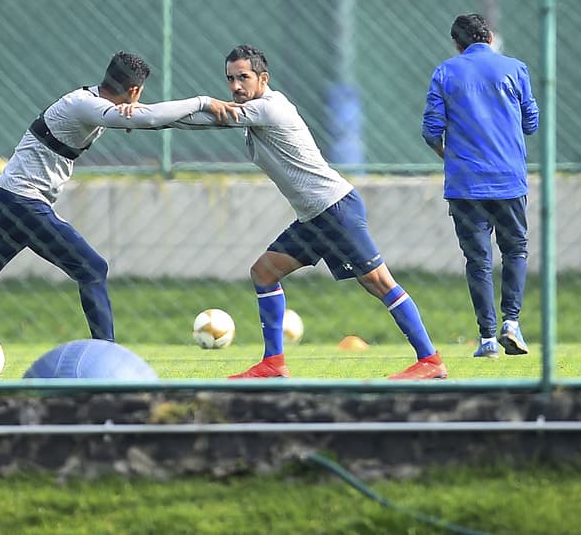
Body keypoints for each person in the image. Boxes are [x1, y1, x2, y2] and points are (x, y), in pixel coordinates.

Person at [0, 51, 229, 380]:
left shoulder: (92, 101)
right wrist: (202, 101)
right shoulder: (84, 105)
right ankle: (109, 362)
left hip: (3, 199)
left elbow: (154, 118)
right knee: (93, 269)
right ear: (135, 90)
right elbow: (150, 118)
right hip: (22, 203)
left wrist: (218, 117)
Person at [164, 45, 447, 381]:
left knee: (379, 282)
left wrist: (144, 116)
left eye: (244, 77)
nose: (236, 86)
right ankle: (273, 364)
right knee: (264, 273)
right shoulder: (252, 111)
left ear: (263, 78)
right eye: (230, 78)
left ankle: (430, 360)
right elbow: (203, 118)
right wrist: (146, 116)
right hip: (314, 218)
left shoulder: (268, 108)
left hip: (335, 209)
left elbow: (203, 119)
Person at [422, 13, 539, 358]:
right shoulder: (515, 69)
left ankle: (487, 338)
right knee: (515, 250)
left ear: (457, 45)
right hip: (508, 179)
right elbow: (531, 122)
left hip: (465, 183)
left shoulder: (445, 72)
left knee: (478, 260)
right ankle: (511, 322)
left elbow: (431, 130)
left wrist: (449, 155)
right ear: (490, 38)